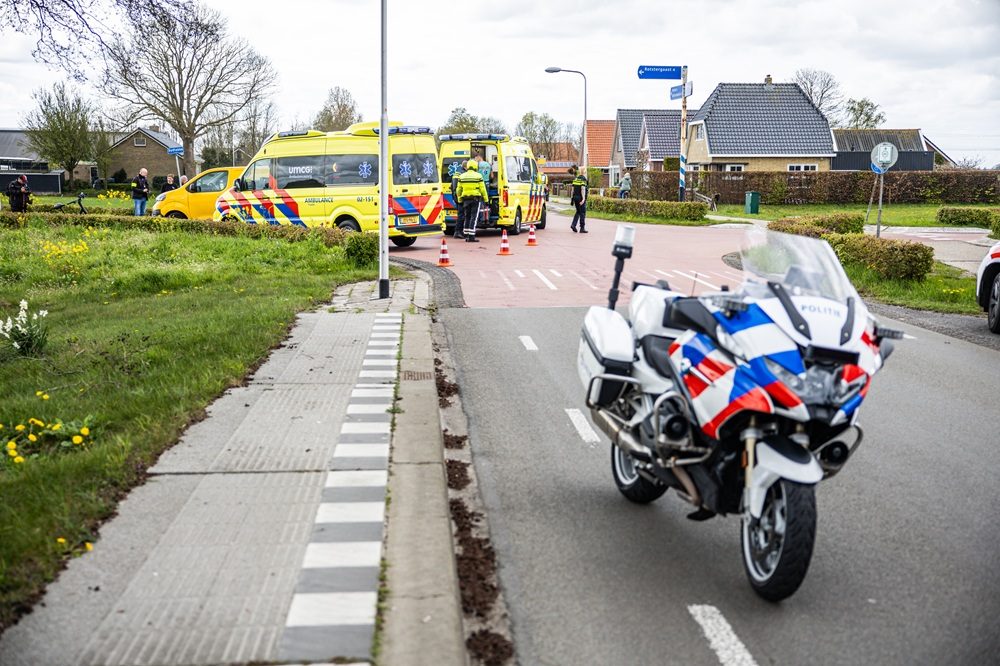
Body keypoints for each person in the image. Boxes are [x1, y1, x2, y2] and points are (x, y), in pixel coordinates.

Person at [455, 159, 489, 243]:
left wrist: (459, 199)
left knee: (467, 216)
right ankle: (471, 236)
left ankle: (466, 234)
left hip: (465, 199)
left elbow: (458, 190)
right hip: (475, 199)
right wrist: (486, 199)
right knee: (474, 217)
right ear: (475, 166)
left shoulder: (462, 176)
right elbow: (483, 189)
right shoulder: (478, 176)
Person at [569, 167, 588, 233]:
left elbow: (572, 190)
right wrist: (583, 199)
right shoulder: (583, 180)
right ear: (584, 172)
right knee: (582, 212)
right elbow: (583, 189)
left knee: (578, 211)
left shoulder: (575, 179)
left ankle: (573, 225)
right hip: (580, 198)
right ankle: (582, 228)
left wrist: (572, 199)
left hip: (575, 198)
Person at [450, 160, 466, 238]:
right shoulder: (462, 174)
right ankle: (458, 232)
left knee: (461, 215)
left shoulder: (457, 172)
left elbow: (452, 186)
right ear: (466, 167)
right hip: (459, 196)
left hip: (456, 196)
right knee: (461, 215)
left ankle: (458, 231)